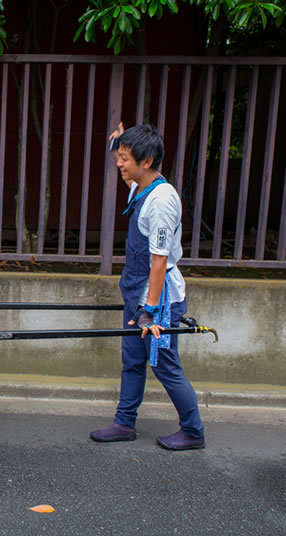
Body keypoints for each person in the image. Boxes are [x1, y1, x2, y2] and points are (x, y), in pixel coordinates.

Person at [90, 123, 205, 451]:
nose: (119, 164)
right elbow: (124, 163)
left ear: (148, 160)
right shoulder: (140, 183)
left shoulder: (161, 202)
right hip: (137, 288)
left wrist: (150, 312)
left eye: (125, 158)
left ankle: (193, 431)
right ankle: (124, 423)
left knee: (165, 364)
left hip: (159, 296)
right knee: (133, 360)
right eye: (120, 157)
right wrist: (118, 140)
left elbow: (159, 262)